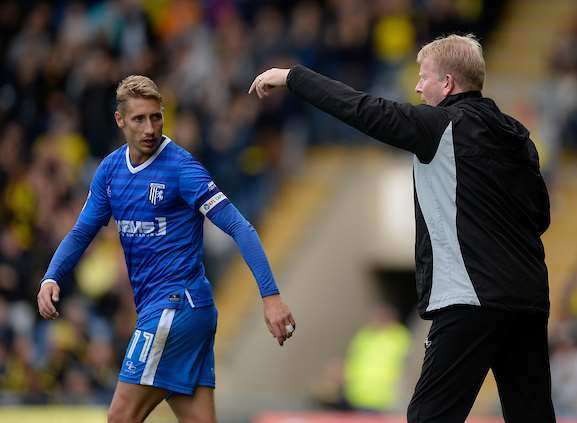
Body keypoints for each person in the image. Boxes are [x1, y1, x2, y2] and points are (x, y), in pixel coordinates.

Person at [249, 34, 554, 423]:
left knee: (429, 416)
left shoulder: (438, 125)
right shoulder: (517, 136)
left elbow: (360, 108)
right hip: (527, 298)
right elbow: (540, 216)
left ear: (447, 84)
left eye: (423, 76)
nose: (416, 86)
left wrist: (292, 77)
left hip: (469, 295)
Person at [37, 75, 296, 423]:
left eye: (156, 117)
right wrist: (52, 276)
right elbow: (82, 231)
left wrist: (271, 296)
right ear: (120, 120)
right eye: (139, 119)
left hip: (175, 307)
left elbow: (239, 226)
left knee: (120, 417)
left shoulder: (181, 168)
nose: (150, 128)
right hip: (183, 311)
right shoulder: (111, 171)